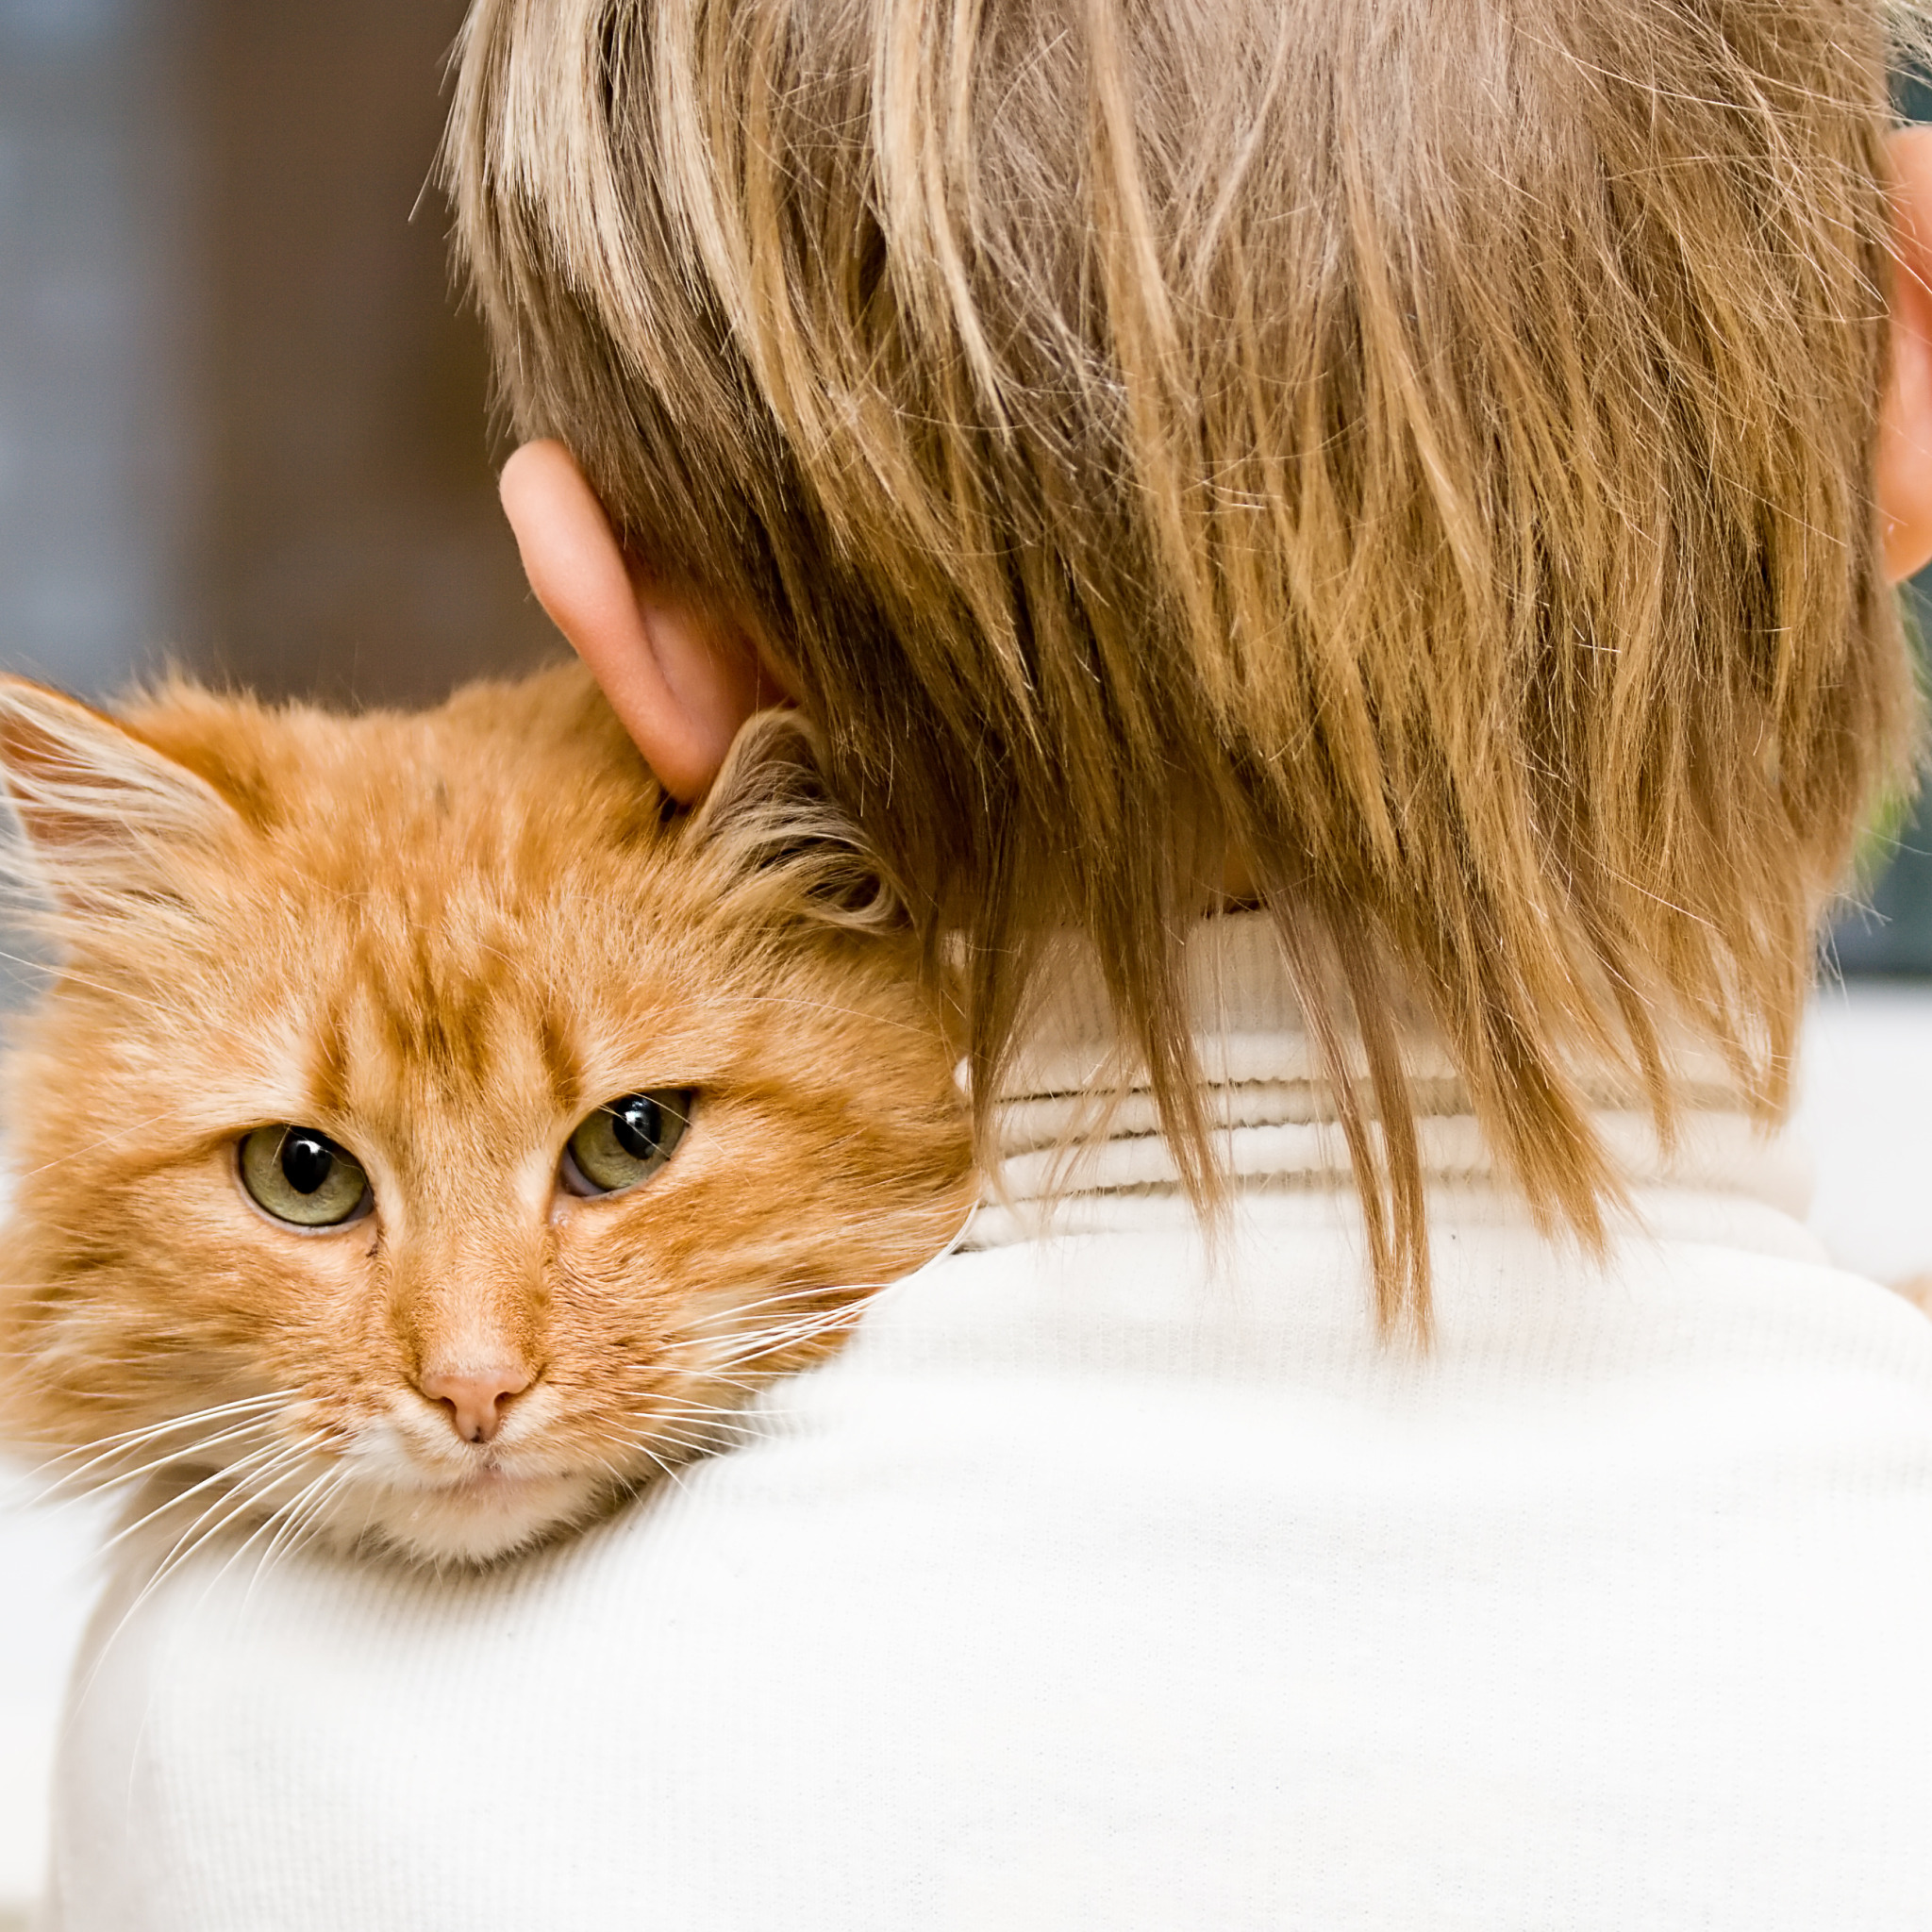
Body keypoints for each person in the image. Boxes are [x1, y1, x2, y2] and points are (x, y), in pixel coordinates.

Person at [42, 0, 1932, 1924]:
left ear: (628, 614)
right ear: (1906, 385)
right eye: (308, 1176)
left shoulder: (247, 1726)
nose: (469, 1363)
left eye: (617, 1143)